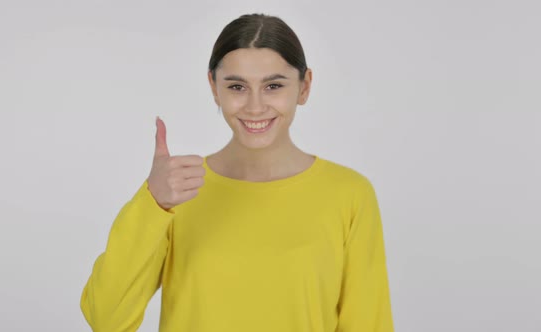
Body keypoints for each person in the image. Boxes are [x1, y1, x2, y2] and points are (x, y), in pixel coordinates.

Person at [80, 13, 394, 332]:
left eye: (273, 85)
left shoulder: (349, 194)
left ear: (304, 86)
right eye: (237, 86)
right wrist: (153, 204)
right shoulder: (177, 191)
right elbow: (106, 319)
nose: (255, 107)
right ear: (214, 87)